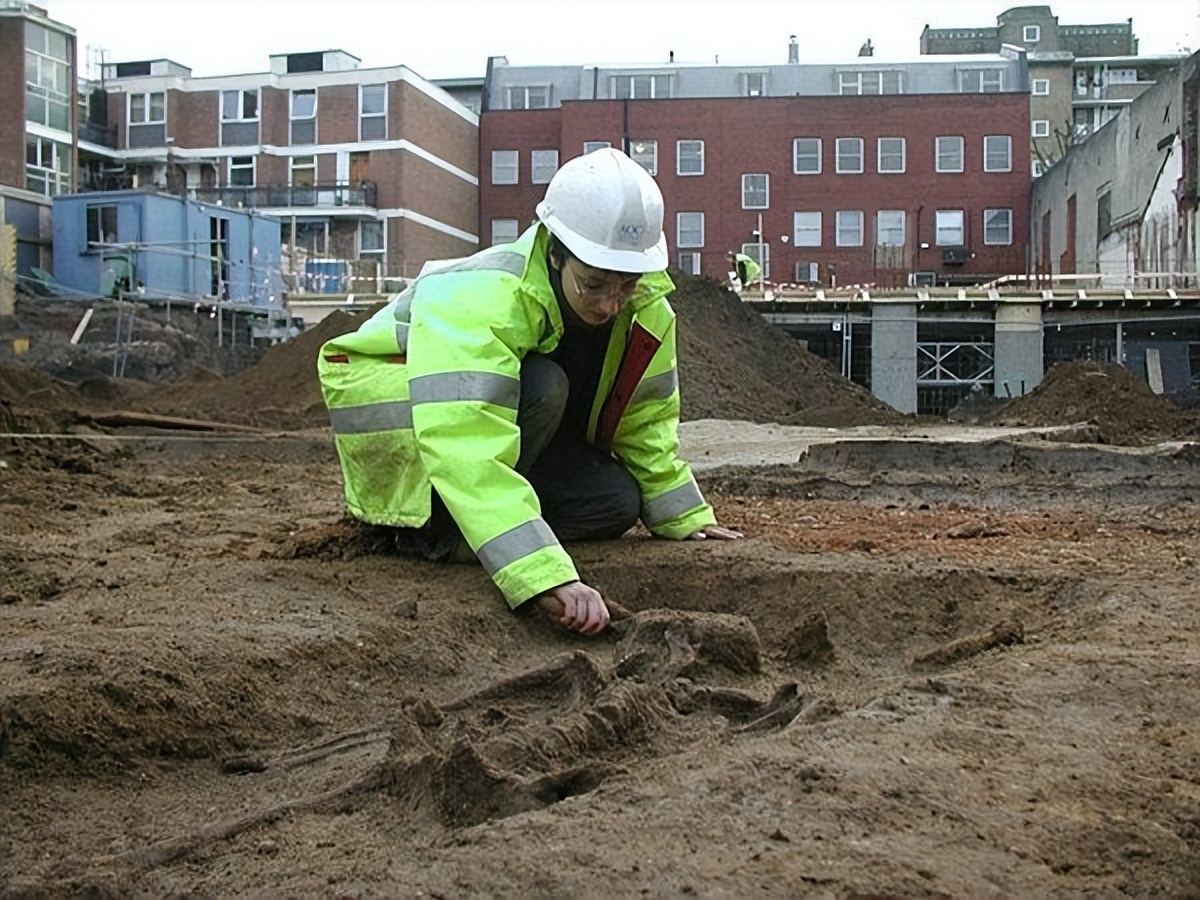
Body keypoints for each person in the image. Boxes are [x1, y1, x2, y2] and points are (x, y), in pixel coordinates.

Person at [318, 148, 742, 637]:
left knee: (617, 501)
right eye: (595, 285)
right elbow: (465, 438)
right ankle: (433, 534)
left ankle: (489, 529)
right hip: (416, 446)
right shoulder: (486, 297)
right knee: (544, 383)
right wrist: (543, 576)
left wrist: (682, 513)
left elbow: (645, 422)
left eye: (625, 286)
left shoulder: (645, 313)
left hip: (500, 437)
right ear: (555, 250)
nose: (610, 304)